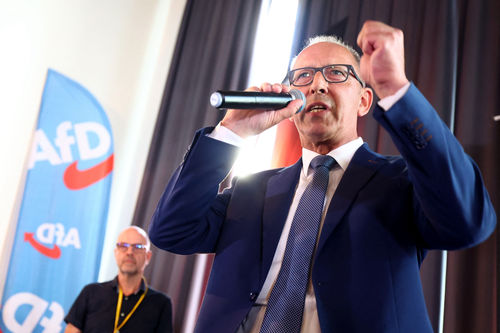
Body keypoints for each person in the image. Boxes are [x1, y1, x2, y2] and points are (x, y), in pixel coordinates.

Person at [149, 20, 496, 333]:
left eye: (336, 73)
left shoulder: (401, 182)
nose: (317, 85)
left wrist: (397, 92)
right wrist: (231, 131)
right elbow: (171, 231)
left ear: (364, 101)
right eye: (303, 76)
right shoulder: (252, 189)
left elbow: (468, 221)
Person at [64, 226, 173, 333]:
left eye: (138, 247)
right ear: (116, 252)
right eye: (123, 246)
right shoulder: (91, 292)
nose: (130, 252)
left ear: (148, 256)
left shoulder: (161, 303)